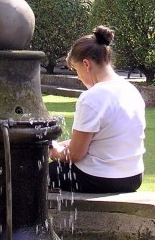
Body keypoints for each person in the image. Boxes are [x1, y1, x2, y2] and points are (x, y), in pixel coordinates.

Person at [49, 25, 146, 193]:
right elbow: (107, 139)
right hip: (133, 177)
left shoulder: (92, 97)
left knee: (33, 174)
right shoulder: (131, 90)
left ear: (86, 64)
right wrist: (65, 144)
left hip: (99, 178)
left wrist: (54, 151)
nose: (79, 78)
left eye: (76, 71)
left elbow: (75, 155)